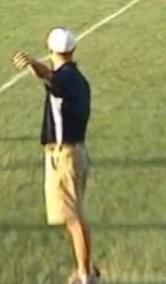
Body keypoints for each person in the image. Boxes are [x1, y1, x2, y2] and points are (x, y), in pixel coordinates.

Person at [13, 28, 100, 284]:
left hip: (64, 157)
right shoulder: (78, 78)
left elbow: (49, 76)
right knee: (74, 215)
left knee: (72, 218)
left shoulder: (64, 79)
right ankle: (87, 269)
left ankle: (85, 276)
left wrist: (32, 63)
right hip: (75, 153)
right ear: (72, 50)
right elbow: (51, 79)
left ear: (51, 50)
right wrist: (36, 69)